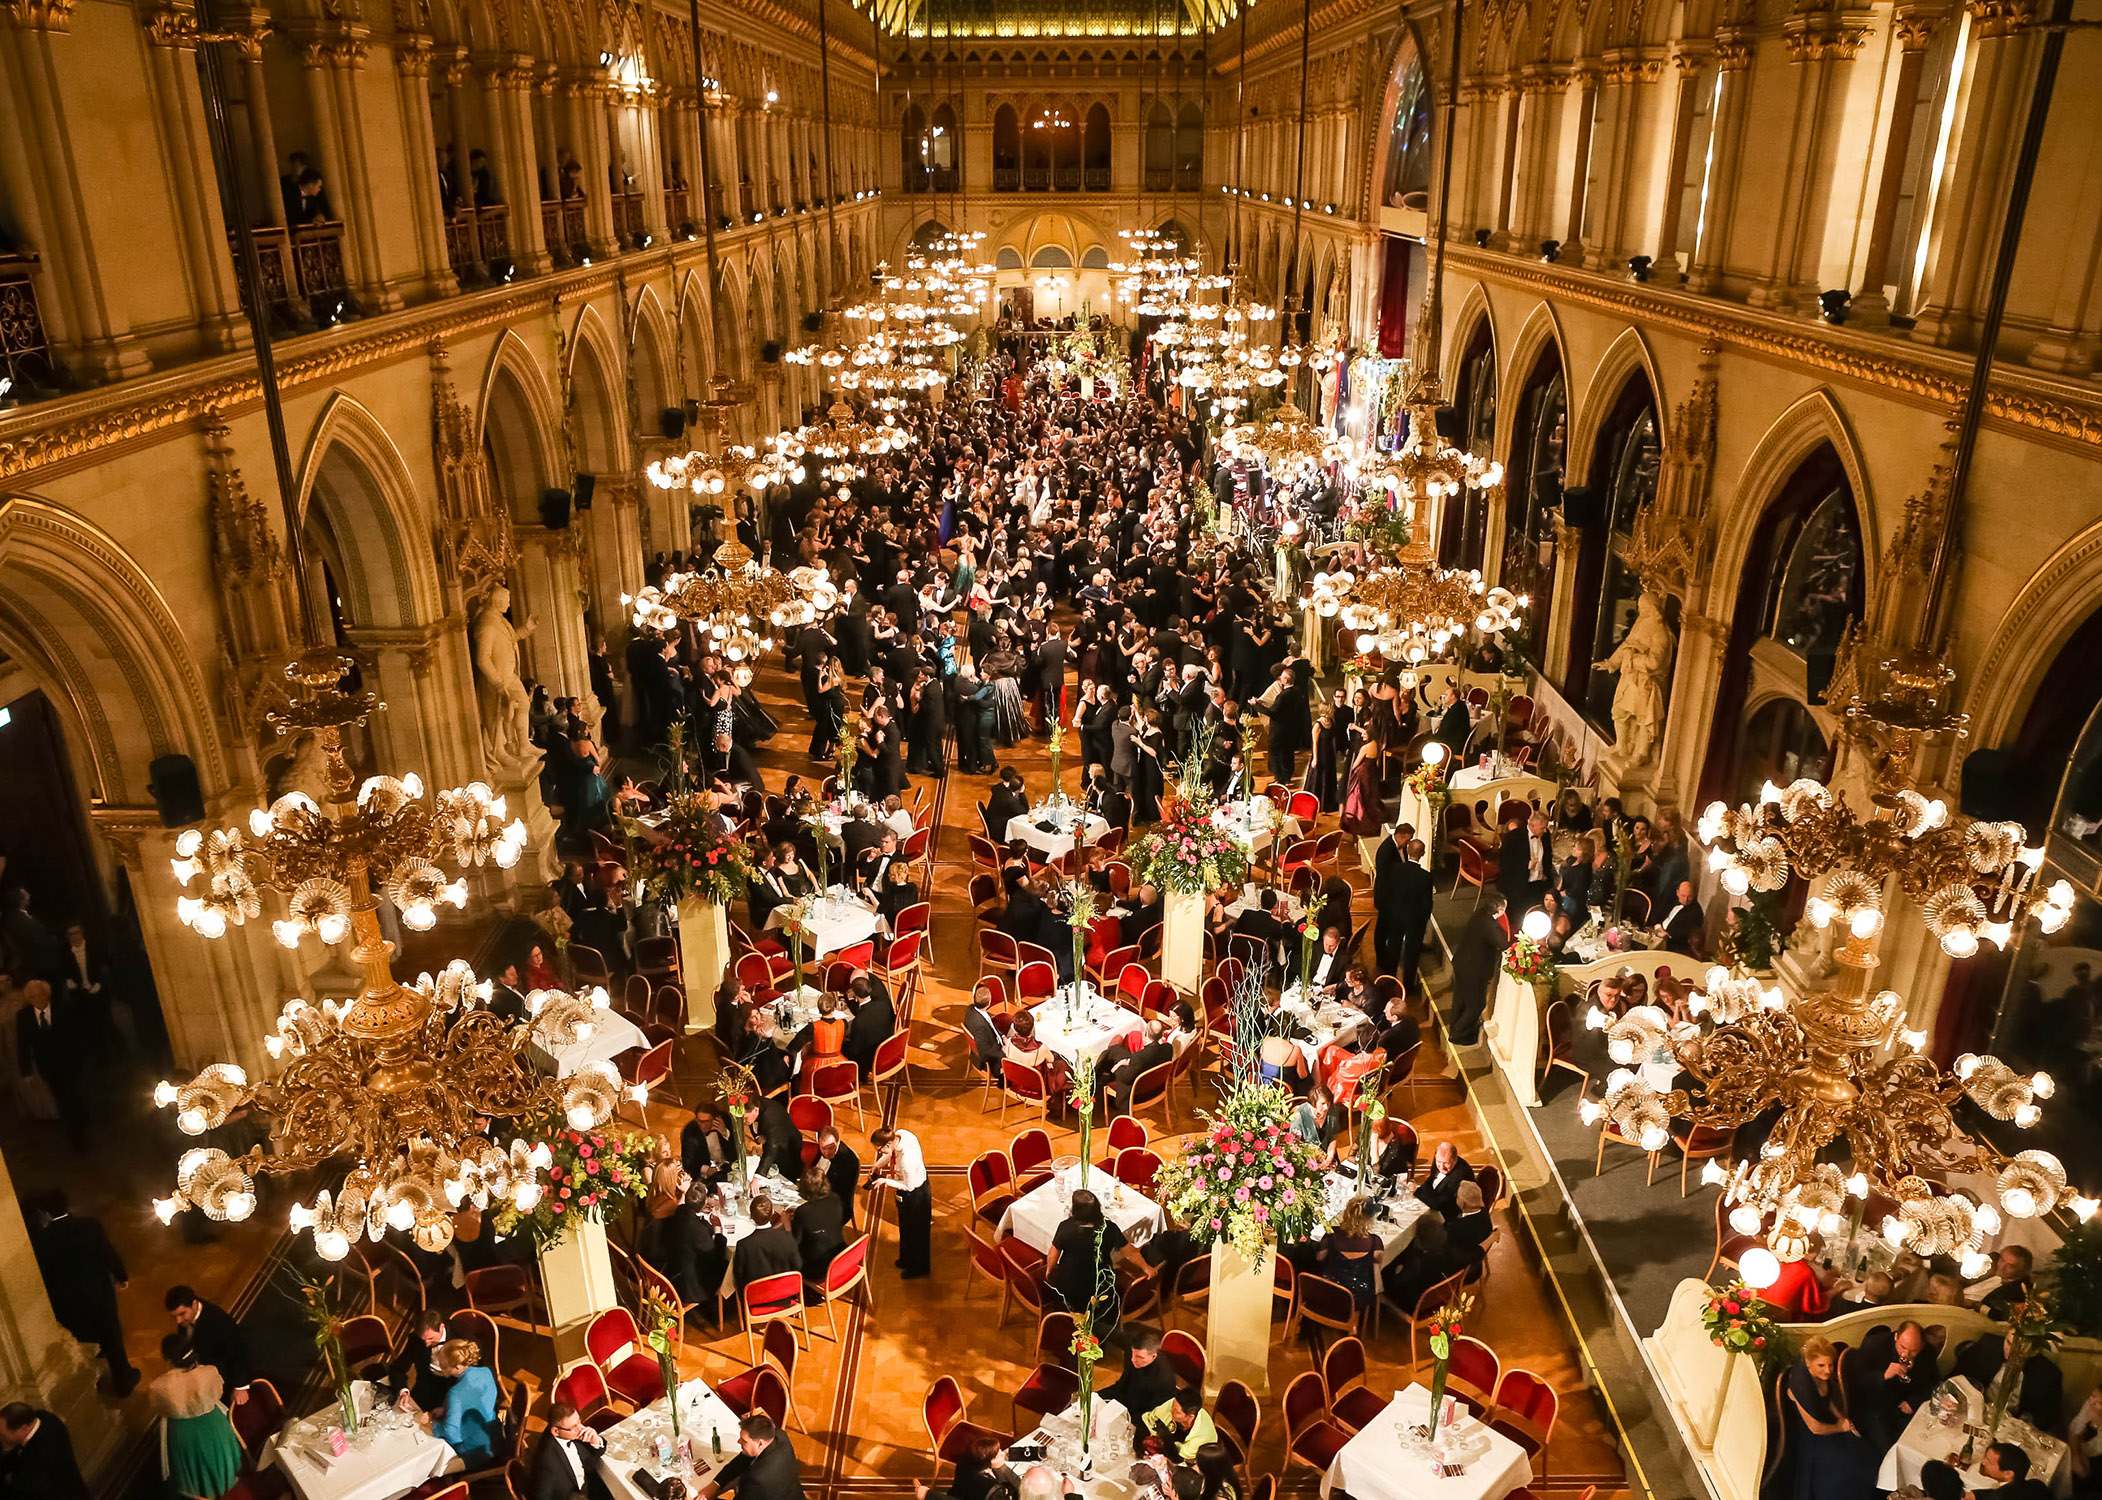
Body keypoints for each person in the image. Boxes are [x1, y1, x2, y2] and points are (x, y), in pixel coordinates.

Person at [28, 1189, 135, 1395]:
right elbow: (107, 1251)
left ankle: (94, 1379)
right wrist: (121, 1276)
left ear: (46, 1213)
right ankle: (124, 1380)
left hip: (69, 1301)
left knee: (86, 1337)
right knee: (111, 1334)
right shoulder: (89, 1226)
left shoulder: (43, 1240)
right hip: (99, 1292)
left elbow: (46, 1273)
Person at [1781, 1335, 1879, 1500]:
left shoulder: (1821, 1376)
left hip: (1828, 1423)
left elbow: (1828, 1402)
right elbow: (1814, 1428)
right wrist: (1840, 1428)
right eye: (1821, 1365)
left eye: (1830, 1364)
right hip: (1811, 1437)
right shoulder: (1799, 1386)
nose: (1827, 1370)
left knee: (1864, 1451)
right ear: (1808, 1363)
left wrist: (1841, 1418)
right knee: (1843, 1464)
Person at [149, 1333, 243, 1499]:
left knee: (195, 1468)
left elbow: (158, 1407)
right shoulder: (209, 1372)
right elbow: (218, 1392)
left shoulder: (159, 1386)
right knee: (219, 1458)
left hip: (184, 1434)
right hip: (213, 1424)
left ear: (168, 1358)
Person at [1844, 1321, 1936, 1454]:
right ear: (1896, 1337)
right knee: (1891, 1450)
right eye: (1902, 1347)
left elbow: (1933, 1381)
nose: (1905, 1354)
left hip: (1903, 1405)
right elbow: (1858, 1382)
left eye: (1913, 1351)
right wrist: (1884, 1375)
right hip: (1875, 1406)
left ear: (1921, 1346)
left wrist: (1913, 1400)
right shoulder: (1874, 1345)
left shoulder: (1927, 1351)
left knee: (1923, 1440)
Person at [166, 1287, 250, 1405]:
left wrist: (240, 1387)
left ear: (194, 1304)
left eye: (182, 1314)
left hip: (224, 1376)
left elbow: (237, 1350)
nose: (178, 1321)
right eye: (174, 1316)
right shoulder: (186, 1318)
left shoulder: (218, 1321)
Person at [1374, 834, 1435, 991]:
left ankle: (1389, 977)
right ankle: (1407, 985)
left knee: (1393, 945)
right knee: (1412, 952)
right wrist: (1423, 920)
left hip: (1395, 914)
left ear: (1408, 850)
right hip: (1414, 919)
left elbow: (1389, 891)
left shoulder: (1394, 869)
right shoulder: (1425, 877)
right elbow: (1427, 903)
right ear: (1422, 854)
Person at [1447, 894, 1508, 1047]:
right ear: (1499, 910)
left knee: (1460, 999)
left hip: (1462, 963)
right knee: (1476, 1004)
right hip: (1474, 970)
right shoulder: (1490, 926)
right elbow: (1502, 944)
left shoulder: (1479, 915)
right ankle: (1459, 1033)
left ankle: (1454, 1029)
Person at [872, 1127, 931, 1279]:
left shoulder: (907, 1160)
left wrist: (886, 1181)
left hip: (916, 1195)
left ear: (888, 1144)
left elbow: (909, 1186)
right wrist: (878, 1165)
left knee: (917, 1232)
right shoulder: (901, 1134)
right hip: (908, 1190)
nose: (881, 1153)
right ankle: (906, 1259)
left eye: (880, 1150)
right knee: (905, 1228)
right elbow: (891, 1154)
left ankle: (919, 1267)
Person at [700, 1414, 802, 1500]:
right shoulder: (779, 1436)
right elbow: (742, 1458)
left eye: (744, 1441)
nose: (738, 1442)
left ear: (760, 1444)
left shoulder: (757, 1479)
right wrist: (715, 1484)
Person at [0, 1402, 89, 1500]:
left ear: (23, 1429)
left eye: (3, 1436)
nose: (1, 1439)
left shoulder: (41, 1455)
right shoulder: (42, 1417)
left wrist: (6, 1451)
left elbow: (24, 1485)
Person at [527, 1402, 612, 1500]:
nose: (580, 1429)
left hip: (590, 1483)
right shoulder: (546, 1462)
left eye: (579, 1422)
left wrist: (595, 1440)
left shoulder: (567, 1431)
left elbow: (597, 1452)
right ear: (555, 1431)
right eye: (574, 1427)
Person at [912, 1431, 1020, 1500]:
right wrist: (929, 1495)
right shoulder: (994, 1491)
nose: (1003, 1454)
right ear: (987, 1462)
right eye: (997, 1456)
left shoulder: (966, 1461)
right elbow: (1020, 1488)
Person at [792, 1162, 849, 1289]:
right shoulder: (835, 1198)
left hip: (818, 1270)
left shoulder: (803, 1212)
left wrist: (786, 1222)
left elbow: (793, 1244)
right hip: (840, 1258)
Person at [388, 1309, 457, 1411]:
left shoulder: (459, 1337)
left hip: (453, 1389)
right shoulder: (416, 1340)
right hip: (425, 1387)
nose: (426, 1344)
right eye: (423, 1340)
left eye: (430, 1338)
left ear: (441, 1327)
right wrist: (403, 1391)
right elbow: (397, 1369)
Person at [732, 1195, 804, 1293]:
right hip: (784, 1294)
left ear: (751, 1216)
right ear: (772, 1214)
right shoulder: (787, 1238)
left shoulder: (743, 1245)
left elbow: (738, 1278)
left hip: (755, 1299)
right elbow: (797, 1266)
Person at [1102, 1327, 1178, 1418]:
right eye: (1132, 1354)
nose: (1133, 1359)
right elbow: (1113, 1334)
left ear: (1153, 1357)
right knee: (1089, 1400)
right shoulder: (1132, 1344)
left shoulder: (1165, 1379)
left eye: (1140, 1357)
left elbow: (1154, 1414)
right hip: (1121, 1392)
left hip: (1140, 1411)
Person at [1496, 811, 1556, 919]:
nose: (1545, 830)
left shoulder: (1545, 836)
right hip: (1520, 884)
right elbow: (1504, 863)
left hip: (1540, 883)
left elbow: (1548, 857)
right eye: (1542, 827)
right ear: (1532, 825)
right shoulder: (1513, 837)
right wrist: (1525, 865)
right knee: (1521, 917)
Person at [1140, 1387, 1218, 1463]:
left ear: (1190, 1416)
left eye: (1177, 1412)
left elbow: (1177, 1459)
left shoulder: (1201, 1438)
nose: (1171, 1411)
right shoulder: (1175, 1405)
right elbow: (1150, 1420)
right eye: (1172, 1406)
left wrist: (1165, 1438)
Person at [1968, 1243, 2034, 1320]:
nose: (2002, 1266)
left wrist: (1975, 1305)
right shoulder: (1987, 1265)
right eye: (2002, 1259)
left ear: (2022, 1271)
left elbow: (2003, 1316)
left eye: (2010, 1266)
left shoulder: (2019, 1291)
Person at [1414, 1142, 1475, 1216]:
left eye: (1446, 1163)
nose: (1442, 1167)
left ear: (1455, 1160)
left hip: (1453, 1214)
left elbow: (1437, 1205)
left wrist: (1417, 1192)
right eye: (1439, 1162)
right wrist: (1419, 1190)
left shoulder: (1459, 1176)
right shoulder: (1440, 1159)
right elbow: (1431, 1179)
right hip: (1438, 1198)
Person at [817, 1126, 861, 1227]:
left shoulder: (849, 1162)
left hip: (837, 1205)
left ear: (838, 1142)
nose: (825, 1152)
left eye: (830, 1148)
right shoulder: (825, 1152)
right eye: (822, 1148)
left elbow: (838, 1194)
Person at [1981, 1441, 2055, 1500]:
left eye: (1989, 1462)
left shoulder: (1997, 1497)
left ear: (2008, 1474)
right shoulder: (2037, 1485)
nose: (1983, 1462)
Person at [1660, 880, 1705, 956]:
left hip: (1673, 945)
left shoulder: (1695, 912)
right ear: (1677, 892)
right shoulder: (1673, 900)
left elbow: (1685, 934)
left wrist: (1667, 935)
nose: (1686, 900)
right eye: (1683, 896)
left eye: (1689, 897)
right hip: (1660, 931)